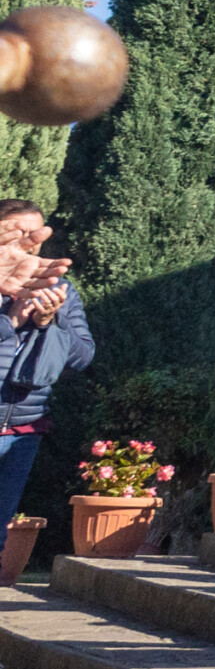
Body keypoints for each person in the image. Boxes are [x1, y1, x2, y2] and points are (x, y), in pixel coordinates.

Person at [0, 201, 92, 531]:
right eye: (19, 232)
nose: (29, 241)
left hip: (22, 430)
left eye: (35, 235)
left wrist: (48, 323)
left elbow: (83, 356)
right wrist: (10, 321)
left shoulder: (60, 289)